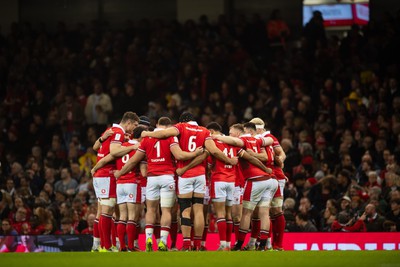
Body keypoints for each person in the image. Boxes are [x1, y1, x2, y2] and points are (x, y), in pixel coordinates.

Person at [141, 111, 237, 251]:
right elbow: (214, 151)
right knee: (199, 211)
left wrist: (147, 134)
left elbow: (164, 134)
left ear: (183, 121)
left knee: (185, 211)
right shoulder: (204, 131)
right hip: (200, 175)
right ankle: (197, 245)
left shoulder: (180, 127)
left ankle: (186, 244)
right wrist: (229, 160)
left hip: (185, 176)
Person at [116, 116, 204, 251]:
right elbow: (180, 155)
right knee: (166, 210)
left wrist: (120, 172)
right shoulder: (171, 137)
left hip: (152, 178)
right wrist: (195, 153)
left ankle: (149, 239)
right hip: (167, 177)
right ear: (169, 127)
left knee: (151, 210)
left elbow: (133, 160)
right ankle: (163, 241)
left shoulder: (147, 138)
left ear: (157, 125)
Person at [92, 111, 139, 251]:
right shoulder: (118, 131)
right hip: (106, 173)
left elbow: (95, 147)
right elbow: (113, 152)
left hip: (101, 173)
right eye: (134, 125)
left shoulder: (110, 130)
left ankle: (101, 245)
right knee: (107, 210)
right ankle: (105, 246)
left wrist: (101, 140)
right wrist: (132, 146)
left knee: (103, 211)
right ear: (128, 122)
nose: (134, 129)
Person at [250, 117, 287, 250]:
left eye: (252, 129)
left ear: (259, 128)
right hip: (268, 176)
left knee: (273, 210)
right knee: (266, 211)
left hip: (275, 176)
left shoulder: (268, 137)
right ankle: (269, 243)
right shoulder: (262, 139)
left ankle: (276, 244)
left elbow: (282, 154)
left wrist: (280, 162)